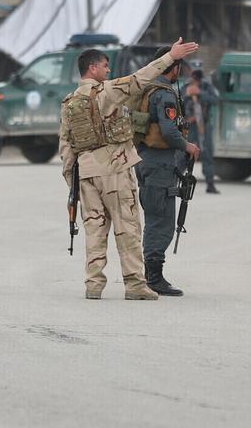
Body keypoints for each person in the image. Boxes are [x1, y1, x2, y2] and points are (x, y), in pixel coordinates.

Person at [59, 38, 198, 300]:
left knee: (95, 229)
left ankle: (93, 285)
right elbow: (139, 78)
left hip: (86, 173)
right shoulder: (107, 92)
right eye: (104, 66)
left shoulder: (69, 102)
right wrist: (170, 57)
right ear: (92, 69)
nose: (108, 71)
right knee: (128, 227)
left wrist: (72, 183)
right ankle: (135, 284)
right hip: (114, 169)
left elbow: (65, 146)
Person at [135, 45, 201, 296]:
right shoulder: (164, 94)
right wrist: (188, 146)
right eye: (179, 67)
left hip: (146, 161)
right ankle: (153, 277)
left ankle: (151, 274)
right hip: (159, 164)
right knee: (160, 221)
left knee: (156, 218)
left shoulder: (146, 88)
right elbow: (169, 130)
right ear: (173, 68)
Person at [190, 67, 220, 194]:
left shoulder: (207, 87)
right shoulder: (186, 86)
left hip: (203, 125)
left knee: (207, 153)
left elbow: (215, 100)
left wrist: (200, 93)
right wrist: (188, 95)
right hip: (189, 125)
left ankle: (210, 183)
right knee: (182, 155)